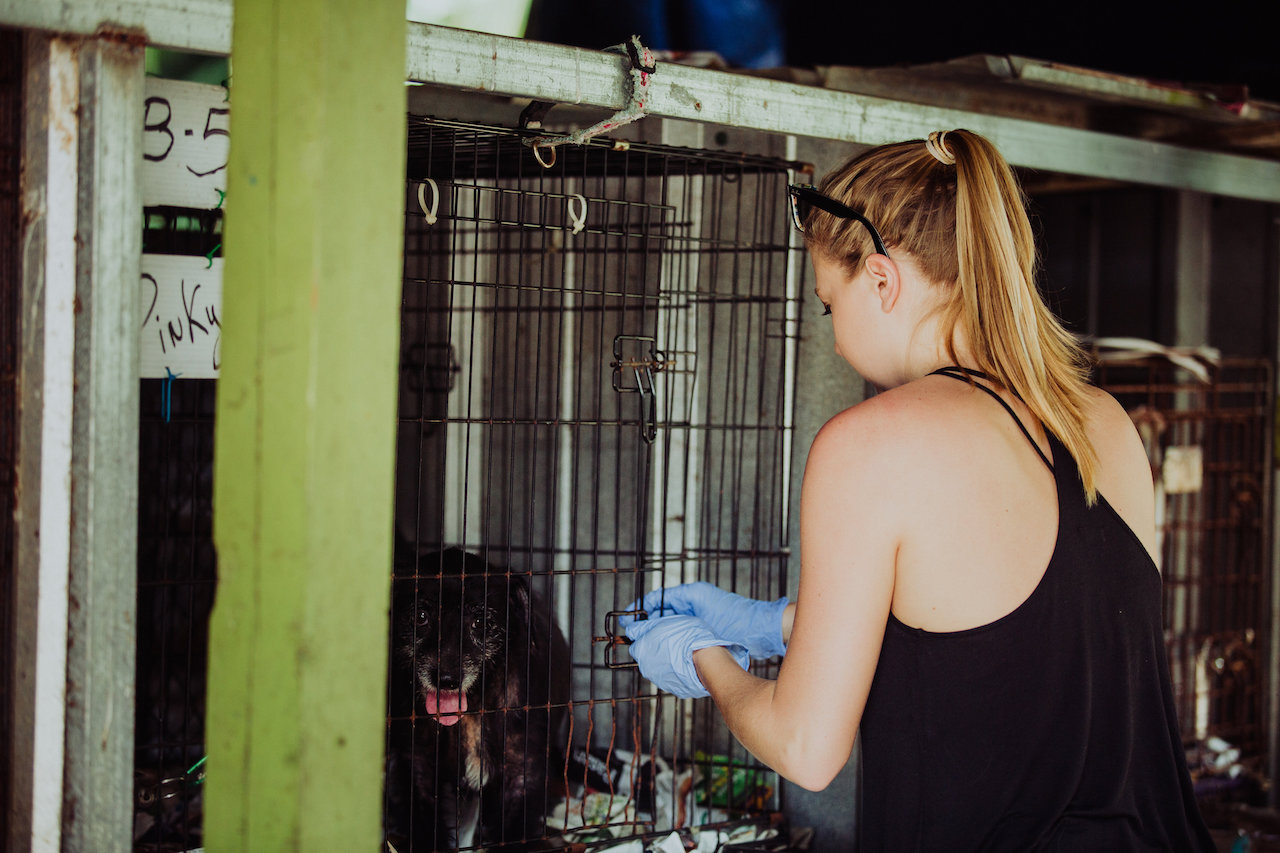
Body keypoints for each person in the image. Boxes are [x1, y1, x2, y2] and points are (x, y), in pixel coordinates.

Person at [623, 130, 1217, 851]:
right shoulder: (1104, 422)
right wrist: (774, 624)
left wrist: (700, 656)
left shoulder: (870, 444)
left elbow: (805, 747)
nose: (834, 338)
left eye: (828, 304)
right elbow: (1023, 639)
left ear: (880, 280)